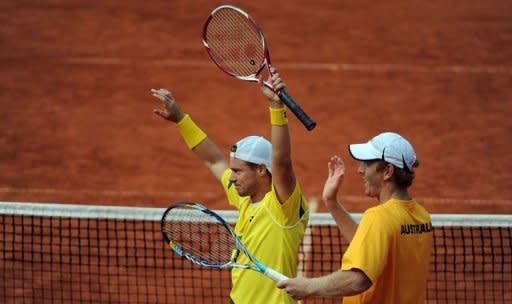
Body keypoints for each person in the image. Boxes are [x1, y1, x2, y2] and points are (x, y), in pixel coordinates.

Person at [151, 69, 309, 304]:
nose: (231, 177)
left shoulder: (283, 207)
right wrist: (181, 120)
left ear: (261, 170)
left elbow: (283, 163)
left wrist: (277, 107)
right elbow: (213, 159)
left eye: (237, 171)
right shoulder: (243, 196)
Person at [277, 132, 433, 304]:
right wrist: (332, 202)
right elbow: (370, 246)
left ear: (388, 171)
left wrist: (309, 286)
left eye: (367, 163)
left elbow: (358, 280)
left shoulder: (379, 217)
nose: (360, 169)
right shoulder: (421, 216)